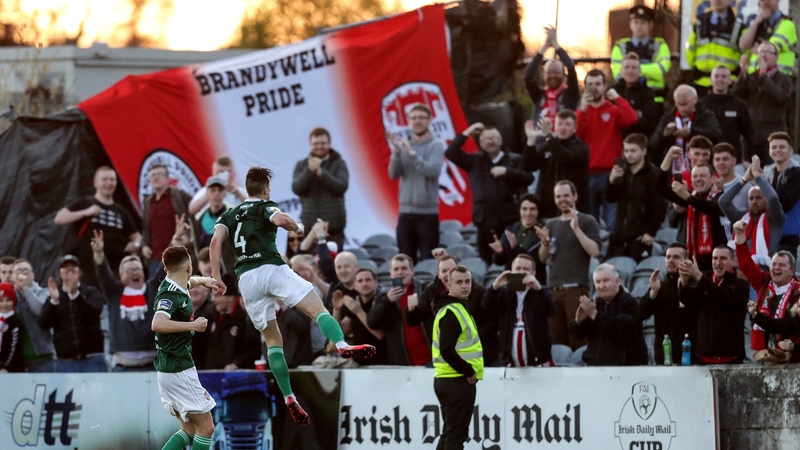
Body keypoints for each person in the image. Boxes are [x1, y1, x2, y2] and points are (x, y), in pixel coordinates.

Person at [209, 166, 374, 426]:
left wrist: (217, 277)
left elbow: (215, 243)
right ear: (266, 189)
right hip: (271, 268)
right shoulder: (264, 206)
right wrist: (297, 226)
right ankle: (342, 345)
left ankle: (288, 396)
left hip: (246, 280)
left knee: (273, 341)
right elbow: (281, 220)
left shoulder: (229, 214)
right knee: (318, 310)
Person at [151, 246, 219, 450]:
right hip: (178, 369)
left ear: (166, 270)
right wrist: (192, 326)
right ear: (189, 267)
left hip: (169, 368)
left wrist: (204, 280)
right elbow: (157, 323)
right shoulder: (170, 295)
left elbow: (189, 282)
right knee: (206, 427)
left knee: (189, 430)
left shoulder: (174, 283)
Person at [445, 122, 533, 264]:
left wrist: (507, 172)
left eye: (494, 137)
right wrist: (468, 132)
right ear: (480, 142)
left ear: (501, 139)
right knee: (486, 261)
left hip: (510, 221)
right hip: (484, 221)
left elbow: (528, 178)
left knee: (513, 260)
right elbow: (451, 152)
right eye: (486, 138)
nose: (490, 141)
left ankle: (513, 278)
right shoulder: (474, 160)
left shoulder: (515, 159)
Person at [537, 181, 601, 350]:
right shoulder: (551, 224)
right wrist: (545, 243)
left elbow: (594, 251)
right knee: (557, 343)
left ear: (575, 196)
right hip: (554, 290)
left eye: (566, 195)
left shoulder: (587, 220)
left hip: (576, 289)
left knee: (577, 341)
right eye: (558, 196)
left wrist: (576, 229)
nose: (562, 200)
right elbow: (543, 258)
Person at [54, 166, 141, 288]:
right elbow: (59, 218)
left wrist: (136, 244)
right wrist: (86, 212)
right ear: (95, 183)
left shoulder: (121, 211)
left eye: (112, 180)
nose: (108, 183)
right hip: (88, 270)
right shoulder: (85, 203)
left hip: (115, 270)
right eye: (104, 179)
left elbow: (136, 236)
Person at [405, 252, 495, 366]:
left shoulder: (478, 291)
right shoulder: (431, 291)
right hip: (447, 359)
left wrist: (473, 339)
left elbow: (492, 321)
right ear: (438, 274)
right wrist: (411, 309)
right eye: (444, 271)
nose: (448, 274)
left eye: (451, 270)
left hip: (479, 356)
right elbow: (414, 320)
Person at [576, 69, 638, 229]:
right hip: (587, 174)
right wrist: (582, 111)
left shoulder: (613, 109)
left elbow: (631, 119)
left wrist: (617, 98)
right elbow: (576, 136)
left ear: (604, 87)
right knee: (590, 223)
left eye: (598, 84)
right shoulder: (581, 113)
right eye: (590, 84)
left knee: (612, 222)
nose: (594, 88)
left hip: (610, 173)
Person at [92, 230, 159, 372]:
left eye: (138, 269)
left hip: (153, 367)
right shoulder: (114, 292)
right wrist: (98, 253)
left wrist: (177, 238)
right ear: (121, 275)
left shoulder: (153, 288)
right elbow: (103, 272)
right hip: (124, 368)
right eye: (129, 270)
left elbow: (166, 269)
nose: (135, 272)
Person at [386, 104, 445, 264]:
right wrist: (397, 153)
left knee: (428, 261)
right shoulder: (404, 145)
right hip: (405, 213)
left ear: (429, 120)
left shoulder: (436, 145)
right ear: (409, 121)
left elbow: (432, 170)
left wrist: (412, 155)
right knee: (405, 261)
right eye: (413, 118)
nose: (417, 121)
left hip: (427, 214)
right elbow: (393, 174)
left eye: (421, 117)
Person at [432, 266, 483, 450]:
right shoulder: (452, 312)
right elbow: (447, 349)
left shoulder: (454, 309)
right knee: (456, 434)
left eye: (467, 281)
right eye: (459, 282)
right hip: (456, 380)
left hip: (447, 379)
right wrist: (469, 371)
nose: (464, 286)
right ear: (449, 285)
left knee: (450, 432)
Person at [734, 220, 800, 361]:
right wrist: (740, 236)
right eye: (774, 264)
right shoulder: (763, 281)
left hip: (792, 356)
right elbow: (746, 264)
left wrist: (793, 350)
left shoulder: (798, 290)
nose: (776, 268)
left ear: (791, 271)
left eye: (781, 265)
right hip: (764, 352)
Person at [656, 147, 728, 271]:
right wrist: (668, 157)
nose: (698, 179)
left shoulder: (721, 197)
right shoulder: (691, 198)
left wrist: (687, 197)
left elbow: (710, 207)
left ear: (712, 179)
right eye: (695, 176)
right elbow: (659, 186)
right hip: (694, 263)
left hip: (716, 265)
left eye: (702, 176)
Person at [679, 245, 750, 364]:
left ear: (733, 262)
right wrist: (684, 281)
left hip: (731, 357)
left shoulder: (741, 285)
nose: (718, 262)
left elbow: (722, 295)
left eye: (723, 258)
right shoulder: (703, 279)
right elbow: (686, 300)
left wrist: (698, 276)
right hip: (703, 356)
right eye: (715, 258)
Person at [568, 264, 648, 366]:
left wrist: (595, 314)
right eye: (598, 282)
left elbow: (621, 328)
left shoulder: (630, 302)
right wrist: (578, 321)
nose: (601, 286)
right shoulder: (595, 304)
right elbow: (578, 335)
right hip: (594, 367)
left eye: (605, 281)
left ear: (617, 281)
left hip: (625, 368)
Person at [483, 254, 555, 367]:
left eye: (525, 269)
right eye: (518, 268)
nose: (521, 272)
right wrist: (494, 287)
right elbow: (486, 307)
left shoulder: (541, 291)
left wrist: (538, 289)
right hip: (510, 363)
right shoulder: (504, 292)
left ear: (533, 273)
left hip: (539, 362)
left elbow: (551, 311)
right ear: (511, 271)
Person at [38, 255, 106, 372]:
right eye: (65, 267)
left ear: (80, 272)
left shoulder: (91, 292)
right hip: (66, 361)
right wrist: (54, 301)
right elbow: (43, 324)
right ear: (59, 273)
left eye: (73, 266)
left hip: (92, 358)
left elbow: (95, 312)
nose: (70, 268)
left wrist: (76, 295)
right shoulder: (54, 297)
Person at [605, 133, 667, 261]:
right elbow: (610, 198)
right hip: (619, 237)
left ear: (644, 151)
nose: (629, 155)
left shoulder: (653, 175)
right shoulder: (621, 171)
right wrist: (611, 181)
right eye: (626, 151)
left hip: (641, 238)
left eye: (633, 151)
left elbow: (660, 208)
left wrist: (651, 232)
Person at [522, 110, 590, 218]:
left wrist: (549, 136)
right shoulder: (548, 145)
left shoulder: (581, 147)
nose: (563, 128)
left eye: (567, 124)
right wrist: (530, 141)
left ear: (575, 128)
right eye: (560, 124)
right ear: (555, 126)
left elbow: (564, 157)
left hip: (571, 210)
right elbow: (528, 166)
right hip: (547, 209)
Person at [734, 42, 793, 163]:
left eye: (767, 52)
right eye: (760, 52)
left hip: (772, 137)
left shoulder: (783, 78)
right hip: (751, 137)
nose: (763, 56)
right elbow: (735, 96)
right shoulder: (751, 77)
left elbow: (781, 97)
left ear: (776, 57)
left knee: (771, 171)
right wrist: (743, 73)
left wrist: (764, 76)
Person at [719, 156, 785, 266]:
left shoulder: (775, 218)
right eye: (751, 198)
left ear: (766, 200)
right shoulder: (741, 216)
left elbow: (773, 198)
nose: (754, 201)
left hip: (763, 269)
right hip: (738, 269)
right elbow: (723, 202)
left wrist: (758, 177)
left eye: (758, 198)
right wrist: (743, 180)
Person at [291, 127, 350, 250]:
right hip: (310, 228)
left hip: (333, 227)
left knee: (333, 260)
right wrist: (310, 171)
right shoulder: (302, 165)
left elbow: (341, 187)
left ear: (329, 143)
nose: (319, 146)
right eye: (315, 143)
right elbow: (297, 188)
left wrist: (321, 173)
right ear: (310, 145)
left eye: (323, 143)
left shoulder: (339, 164)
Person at [367, 254, 431, 366]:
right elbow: (372, 323)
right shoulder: (383, 294)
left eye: (404, 268)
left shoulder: (425, 289)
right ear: (391, 273)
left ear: (412, 271)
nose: (400, 272)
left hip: (431, 358)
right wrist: (387, 301)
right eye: (396, 269)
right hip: (402, 362)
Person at [637, 244, 693, 365]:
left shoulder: (694, 286)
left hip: (689, 357)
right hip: (663, 357)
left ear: (686, 261)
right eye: (668, 257)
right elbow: (639, 314)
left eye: (676, 257)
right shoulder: (659, 287)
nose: (671, 260)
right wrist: (653, 292)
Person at [650, 85, 721, 170]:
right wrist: (664, 135)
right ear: (674, 101)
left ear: (696, 99)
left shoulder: (706, 115)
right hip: (674, 170)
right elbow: (653, 146)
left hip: (701, 169)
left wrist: (691, 132)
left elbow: (715, 134)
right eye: (679, 96)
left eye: (686, 95)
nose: (682, 98)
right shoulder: (668, 117)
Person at [610, 6, 671, 106]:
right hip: (627, 100)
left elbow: (661, 70)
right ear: (630, 25)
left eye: (643, 23)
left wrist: (631, 70)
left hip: (655, 99)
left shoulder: (660, 45)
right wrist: (650, 71)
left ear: (650, 25)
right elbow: (618, 74)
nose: (639, 26)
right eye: (636, 22)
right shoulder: (620, 47)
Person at [140, 164, 192, 277]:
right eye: (153, 175)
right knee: (156, 288)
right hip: (155, 259)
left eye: (159, 174)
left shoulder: (178, 195)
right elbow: (145, 228)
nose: (156, 177)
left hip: (177, 257)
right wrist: (144, 245)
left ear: (168, 178)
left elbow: (194, 212)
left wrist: (187, 236)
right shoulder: (148, 201)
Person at [205, 273, 263, 371]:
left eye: (218, 296)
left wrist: (237, 364)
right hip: (214, 374)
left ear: (230, 297)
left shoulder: (246, 318)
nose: (213, 300)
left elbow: (254, 348)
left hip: (240, 375)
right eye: (212, 296)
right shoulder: (211, 316)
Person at [686, 0, 744, 95]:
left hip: (728, 85)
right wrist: (696, 69)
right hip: (701, 83)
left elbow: (745, 54)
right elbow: (690, 49)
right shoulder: (700, 24)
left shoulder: (738, 26)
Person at [524, 26, 579, 125]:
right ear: (544, 75)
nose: (553, 75)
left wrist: (555, 44)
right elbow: (528, 76)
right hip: (540, 134)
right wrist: (544, 47)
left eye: (557, 72)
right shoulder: (539, 95)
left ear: (564, 75)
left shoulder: (570, 94)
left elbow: (571, 68)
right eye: (549, 72)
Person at [488, 194, 547, 285]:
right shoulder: (510, 229)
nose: (528, 213)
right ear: (519, 210)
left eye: (532, 209)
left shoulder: (544, 232)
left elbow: (539, 262)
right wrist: (499, 253)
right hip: (513, 281)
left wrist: (516, 248)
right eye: (524, 209)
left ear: (538, 211)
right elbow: (499, 262)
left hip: (534, 283)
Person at [334, 268, 388, 366]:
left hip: (380, 363)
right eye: (360, 281)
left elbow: (380, 334)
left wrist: (358, 311)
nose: (364, 284)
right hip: (359, 363)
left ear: (376, 283)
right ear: (355, 286)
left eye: (368, 280)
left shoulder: (382, 302)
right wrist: (337, 310)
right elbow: (340, 332)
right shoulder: (357, 304)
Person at [698, 66, 753, 162]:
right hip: (706, 160)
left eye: (724, 76)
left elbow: (748, 134)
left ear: (730, 81)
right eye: (716, 76)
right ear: (711, 80)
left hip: (733, 161)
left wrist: (748, 160)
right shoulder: (701, 104)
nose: (720, 79)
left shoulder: (739, 105)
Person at [11, 259, 56, 372]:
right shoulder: (9, 297)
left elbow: (40, 311)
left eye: (26, 270)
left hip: (43, 359)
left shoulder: (44, 292)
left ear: (33, 275)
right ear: (13, 277)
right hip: (18, 361)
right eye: (18, 271)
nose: (22, 274)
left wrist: (25, 289)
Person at [764, 132, 800, 257]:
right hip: (766, 236)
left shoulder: (797, 173)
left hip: (788, 237)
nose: (777, 150)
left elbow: (785, 203)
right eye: (774, 147)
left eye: (782, 147)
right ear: (769, 152)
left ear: (791, 151)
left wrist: (763, 184)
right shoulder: (766, 173)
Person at [738, 0, 797, 76]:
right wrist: (755, 23)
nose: (766, 2)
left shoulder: (787, 24)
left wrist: (751, 49)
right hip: (755, 76)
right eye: (762, 0)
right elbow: (743, 46)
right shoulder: (758, 24)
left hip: (778, 77)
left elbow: (769, 50)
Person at [192, 176, 236, 273]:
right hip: (204, 272)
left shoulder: (233, 217)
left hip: (227, 273)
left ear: (225, 194)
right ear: (207, 194)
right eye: (213, 190)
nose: (217, 194)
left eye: (220, 190)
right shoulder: (198, 218)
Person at [613, 53, 658, 138]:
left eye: (634, 68)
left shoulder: (648, 93)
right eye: (627, 67)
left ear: (640, 71)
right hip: (615, 138)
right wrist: (634, 114)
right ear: (621, 70)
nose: (630, 71)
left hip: (637, 138)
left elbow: (648, 121)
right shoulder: (613, 91)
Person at [712, 143, 749, 210]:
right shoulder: (712, 186)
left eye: (725, 159)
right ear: (713, 162)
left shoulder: (745, 187)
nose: (721, 163)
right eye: (717, 159)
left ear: (734, 161)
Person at [0, 283, 24, 373]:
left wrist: (5, 367)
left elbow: (14, 347)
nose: (4, 304)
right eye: (1, 300)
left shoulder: (16, 321)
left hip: (11, 369)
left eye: (8, 300)